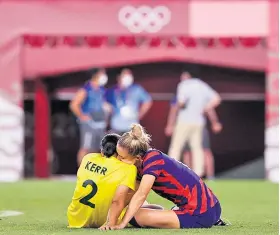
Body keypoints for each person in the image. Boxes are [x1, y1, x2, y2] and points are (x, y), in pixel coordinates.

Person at [105, 124, 226, 230]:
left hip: (200, 213)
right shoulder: (139, 165)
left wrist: (121, 224)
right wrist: (110, 221)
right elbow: (129, 195)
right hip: (211, 206)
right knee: (130, 208)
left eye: (122, 157)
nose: (118, 159)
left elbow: (141, 195)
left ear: (137, 157)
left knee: (134, 216)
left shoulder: (153, 160)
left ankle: (176, 214)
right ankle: (172, 213)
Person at [67, 133, 137, 228]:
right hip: (105, 220)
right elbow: (117, 201)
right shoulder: (128, 168)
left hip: (75, 219)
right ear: (120, 151)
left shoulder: (88, 158)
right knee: (133, 196)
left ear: (102, 150)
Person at [167, 72, 221, 177]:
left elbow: (181, 102)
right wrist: (205, 108)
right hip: (199, 122)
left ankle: (170, 171)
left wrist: (177, 109)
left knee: (176, 146)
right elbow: (216, 99)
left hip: (185, 121)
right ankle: (198, 172)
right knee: (197, 148)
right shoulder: (201, 85)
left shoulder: (183, 85)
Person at [70, 68, 112, 165]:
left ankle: (96, 171)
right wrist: (82, 116)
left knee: (100, 149)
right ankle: (81, 172)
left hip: (100, 124)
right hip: (89, 124)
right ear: (96, 75)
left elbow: (102, 104)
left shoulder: (102, 90)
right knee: (85, 147)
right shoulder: (86, 88)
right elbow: (74, 104)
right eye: (102, 74)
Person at [106, 68, 152, 135]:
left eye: (129, 75)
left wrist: (139, 115)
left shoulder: (136, 89)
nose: (128, 77)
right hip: (116, 126)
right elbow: (105, 103)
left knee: (130, 145)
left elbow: (148, 101)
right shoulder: (112, 90)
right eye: (125, 75)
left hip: (131, 127)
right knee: (115, 144)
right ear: (119, 77)